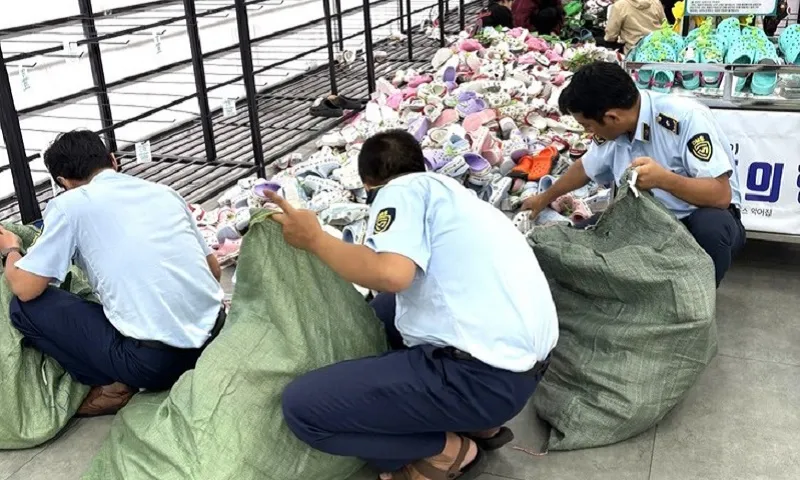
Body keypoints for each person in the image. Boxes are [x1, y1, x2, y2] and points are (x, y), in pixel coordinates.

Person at [273, 130, 558, 479]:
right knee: (381, 313)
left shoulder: (397, 192)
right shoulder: (454, 194)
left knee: (302, 409)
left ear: (369, 183)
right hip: (523, 373)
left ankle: (445, 451)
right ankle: (478, 425)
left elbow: (391, 274)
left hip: (480, 383)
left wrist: (315, 239)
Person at [0, 130, 225, 416]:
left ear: (63, 182)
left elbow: (25, 288)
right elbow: (214, 271)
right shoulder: (164, 192)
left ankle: (110, 387)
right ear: (113, 160)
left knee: (23, 309)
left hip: (158, 364)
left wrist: (11, 249)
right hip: (216, 336)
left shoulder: (70, 205)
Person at [522, 62, 745, 287]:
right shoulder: (615, 130)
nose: (588, 133)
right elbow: (585, 168)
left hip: (692, 220)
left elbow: (720, 195)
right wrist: (543, 198)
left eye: (588, 126)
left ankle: (696, 298)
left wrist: (665, 180)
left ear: (612, 118)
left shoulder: (685, 117)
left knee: (712, 227)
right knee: (571, 247)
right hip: (643, 220)